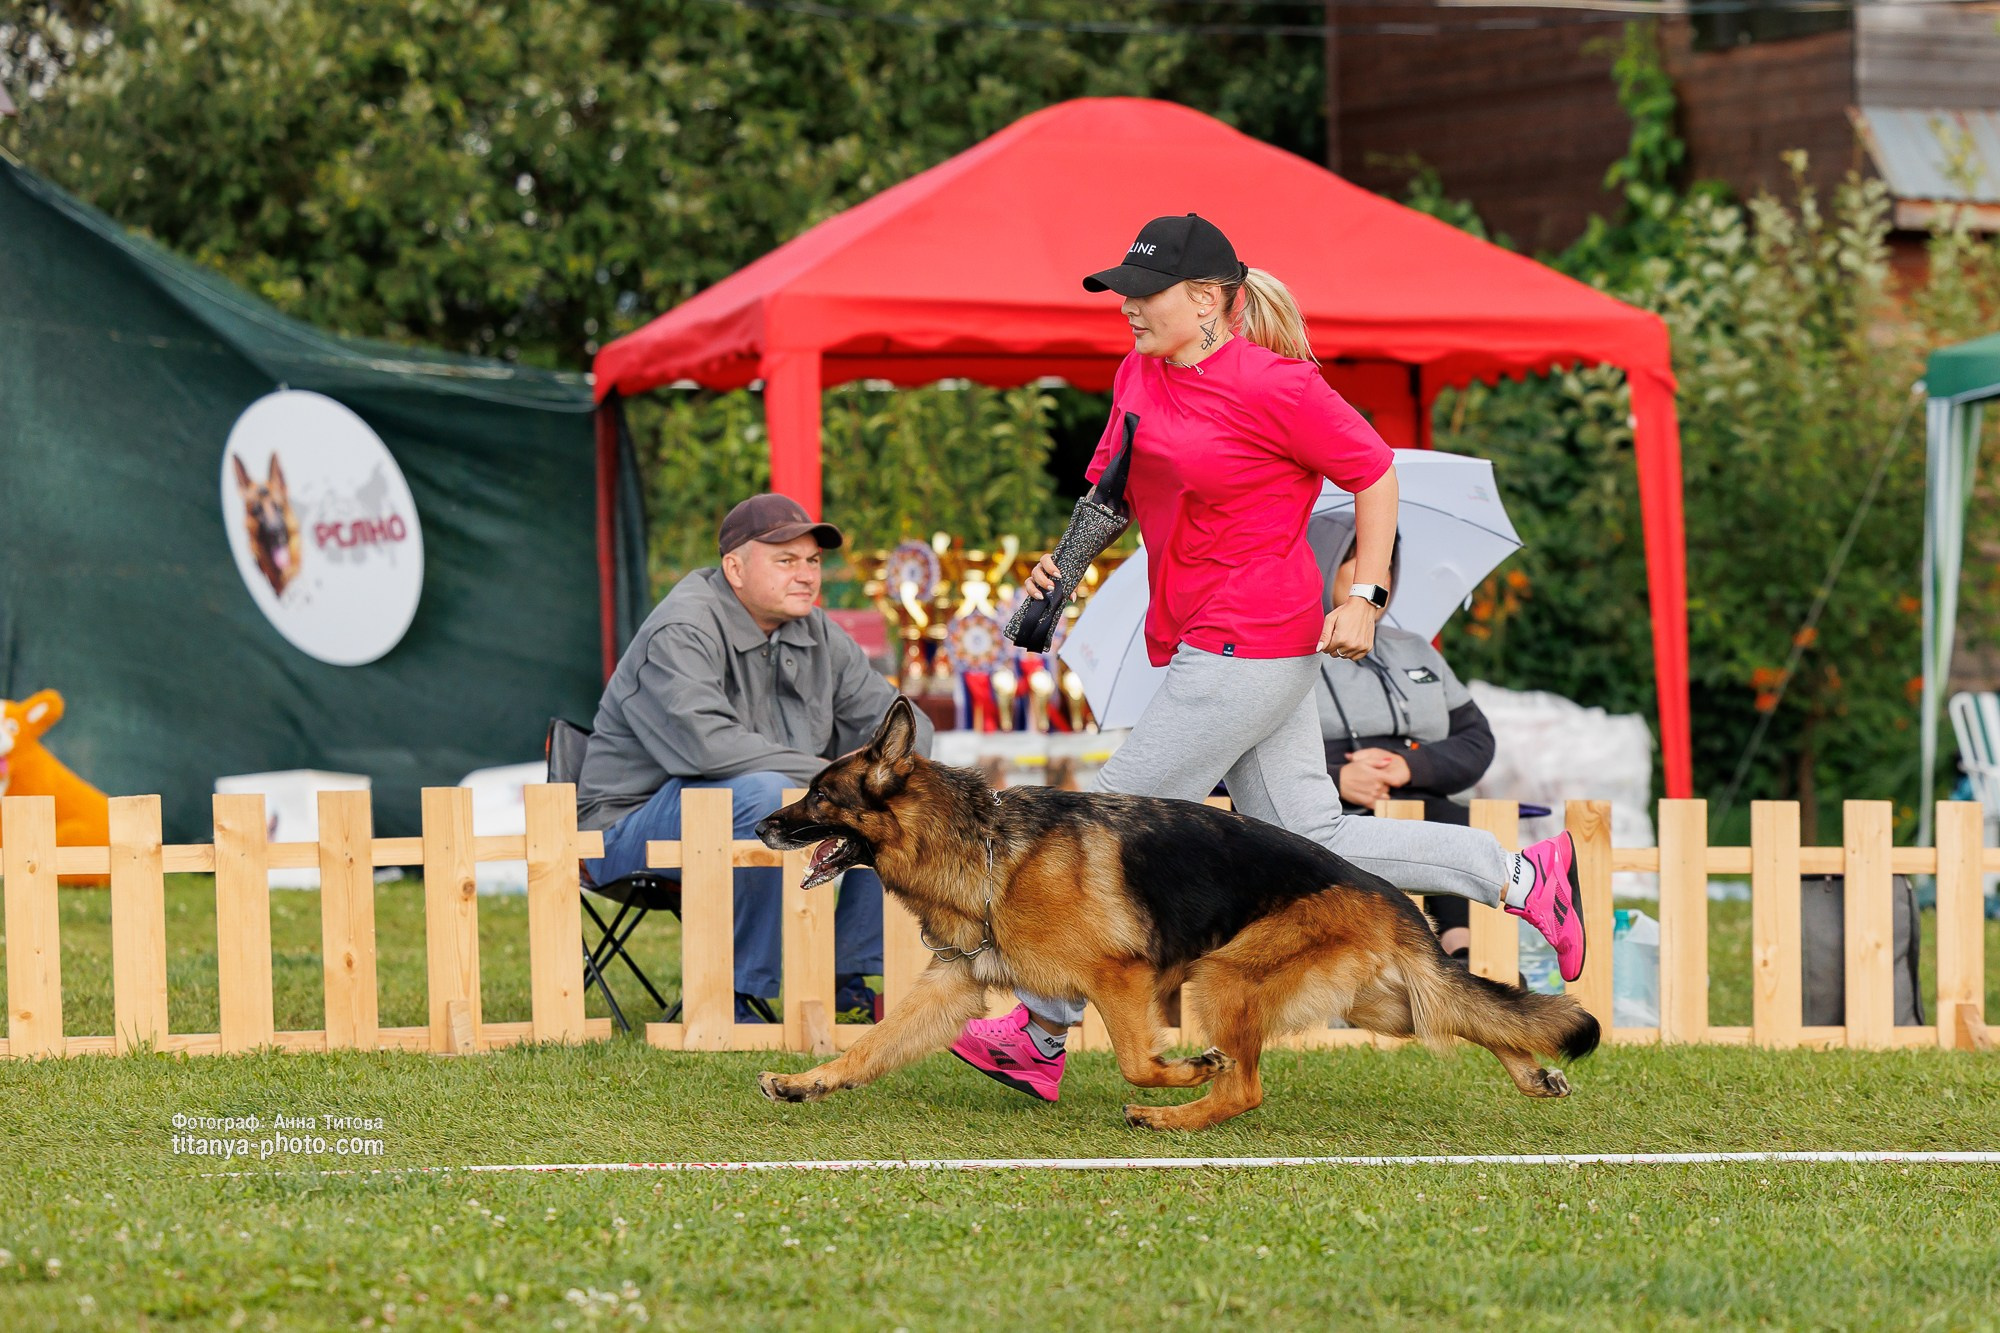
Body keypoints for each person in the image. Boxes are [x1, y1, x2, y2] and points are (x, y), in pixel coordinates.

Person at [948, 213, 1584, 1102]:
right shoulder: (1139, 372)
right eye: (1122, 293)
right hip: (1205, 634)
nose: (1127, 309)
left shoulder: (1275, 385)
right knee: (1309, 837)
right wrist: (1064, 570)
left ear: (1208, 301)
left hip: (1251, 635)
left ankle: (1037, 1030)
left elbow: (1373, 473)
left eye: (1145, 294)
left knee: (1099, 826)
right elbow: (1113, 487)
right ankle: (1519, 873)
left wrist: (1364, 593)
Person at [576, 493, 933, 1021]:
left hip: (754, 802)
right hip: (624, 827)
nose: (807, 575)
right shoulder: (683, 628)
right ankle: (736, 992)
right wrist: (837, 781)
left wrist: (882, 776)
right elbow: (709, 746)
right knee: (767, 797)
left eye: (812, 561)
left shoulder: (817, 630)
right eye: (786, 560)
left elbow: (907, 722)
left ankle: (847, 977)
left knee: (888, 799)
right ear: (734, 568)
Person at [1311, 521, 1497, 963]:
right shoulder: (1285, 656)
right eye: (1358, 559)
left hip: (1430, 803)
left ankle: (1464, 956)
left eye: (1387, 563)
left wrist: (1409, 765)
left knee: (1454, 823)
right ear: (1322, 565)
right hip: (1332, 810)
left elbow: (1477, 739)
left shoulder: (1415, 649)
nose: (1380, 576)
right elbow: (1248, 750)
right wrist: (1338, 777)